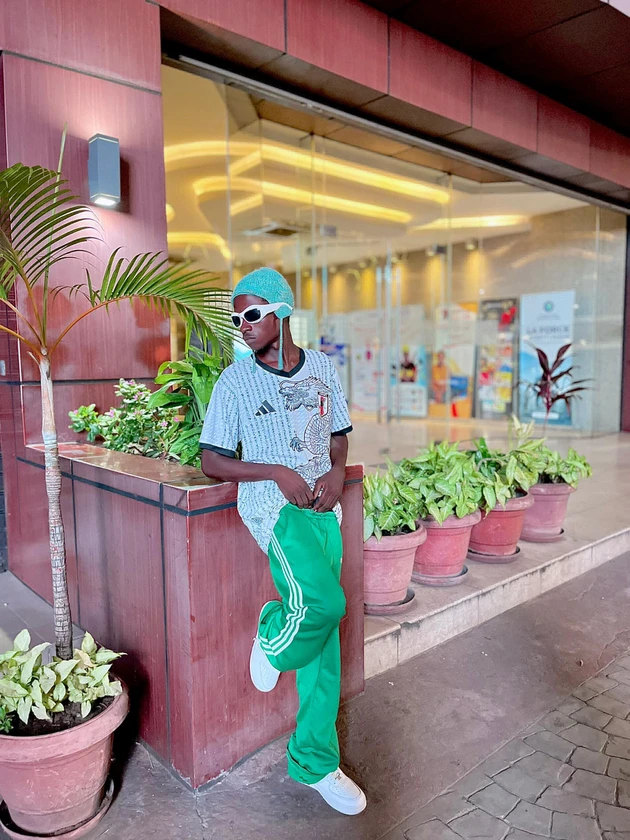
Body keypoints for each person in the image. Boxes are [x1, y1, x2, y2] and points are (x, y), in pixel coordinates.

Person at [199, 267, 367, 816]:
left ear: (282, 312)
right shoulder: (234, 382)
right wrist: (275, 472)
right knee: (325, 605)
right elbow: (211, 460)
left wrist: (337, 475)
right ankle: (272, 634)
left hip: (324, 511)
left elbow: (338, 437)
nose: (243, 325)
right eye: (237, 319)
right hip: (275, 512)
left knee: (324, 649)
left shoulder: (321, 368)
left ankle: (315, 762)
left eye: (251, 314)